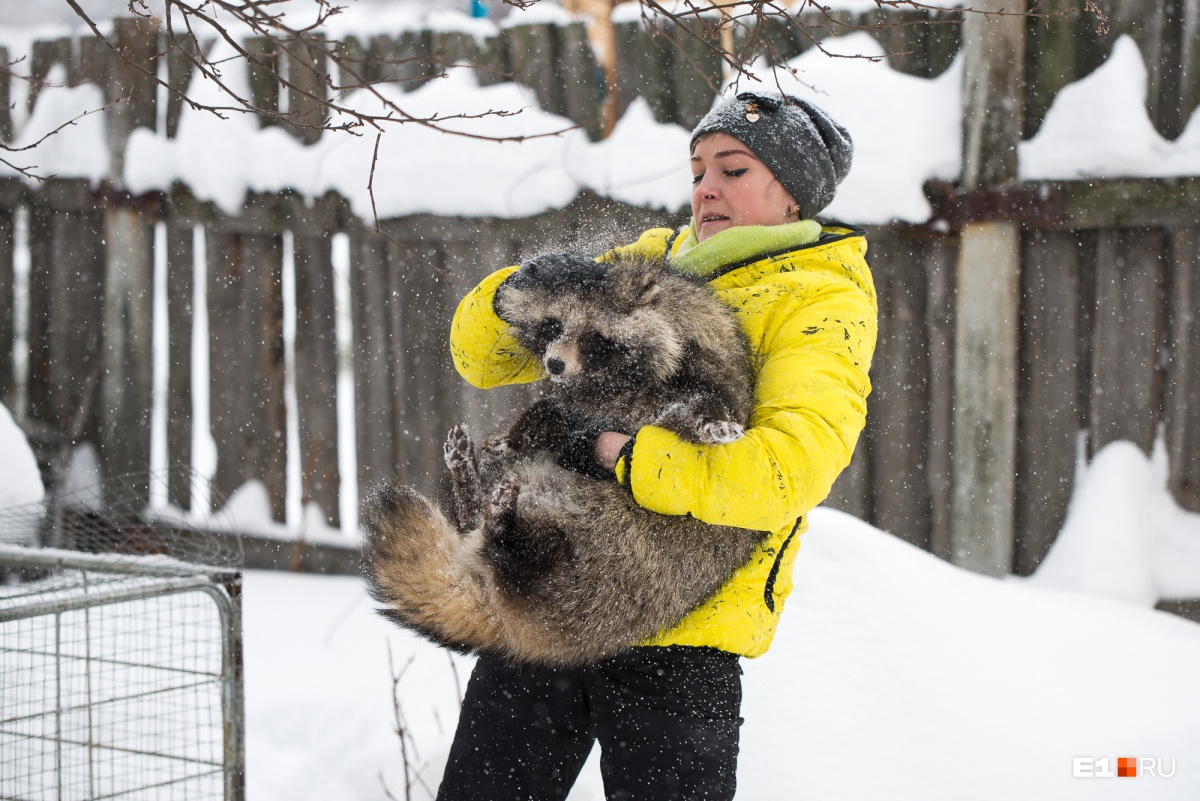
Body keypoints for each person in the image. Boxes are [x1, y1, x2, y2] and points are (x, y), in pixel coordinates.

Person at [439, 91, 877, 801]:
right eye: (698, 169)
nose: (706, 188)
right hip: (546, 604)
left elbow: (786, 469)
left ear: (793, 194)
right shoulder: (647, 263)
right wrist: (512, 296)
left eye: (733, 169)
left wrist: (620, 453)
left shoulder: (818, 298)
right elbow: (481, 360)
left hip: (681, 636)